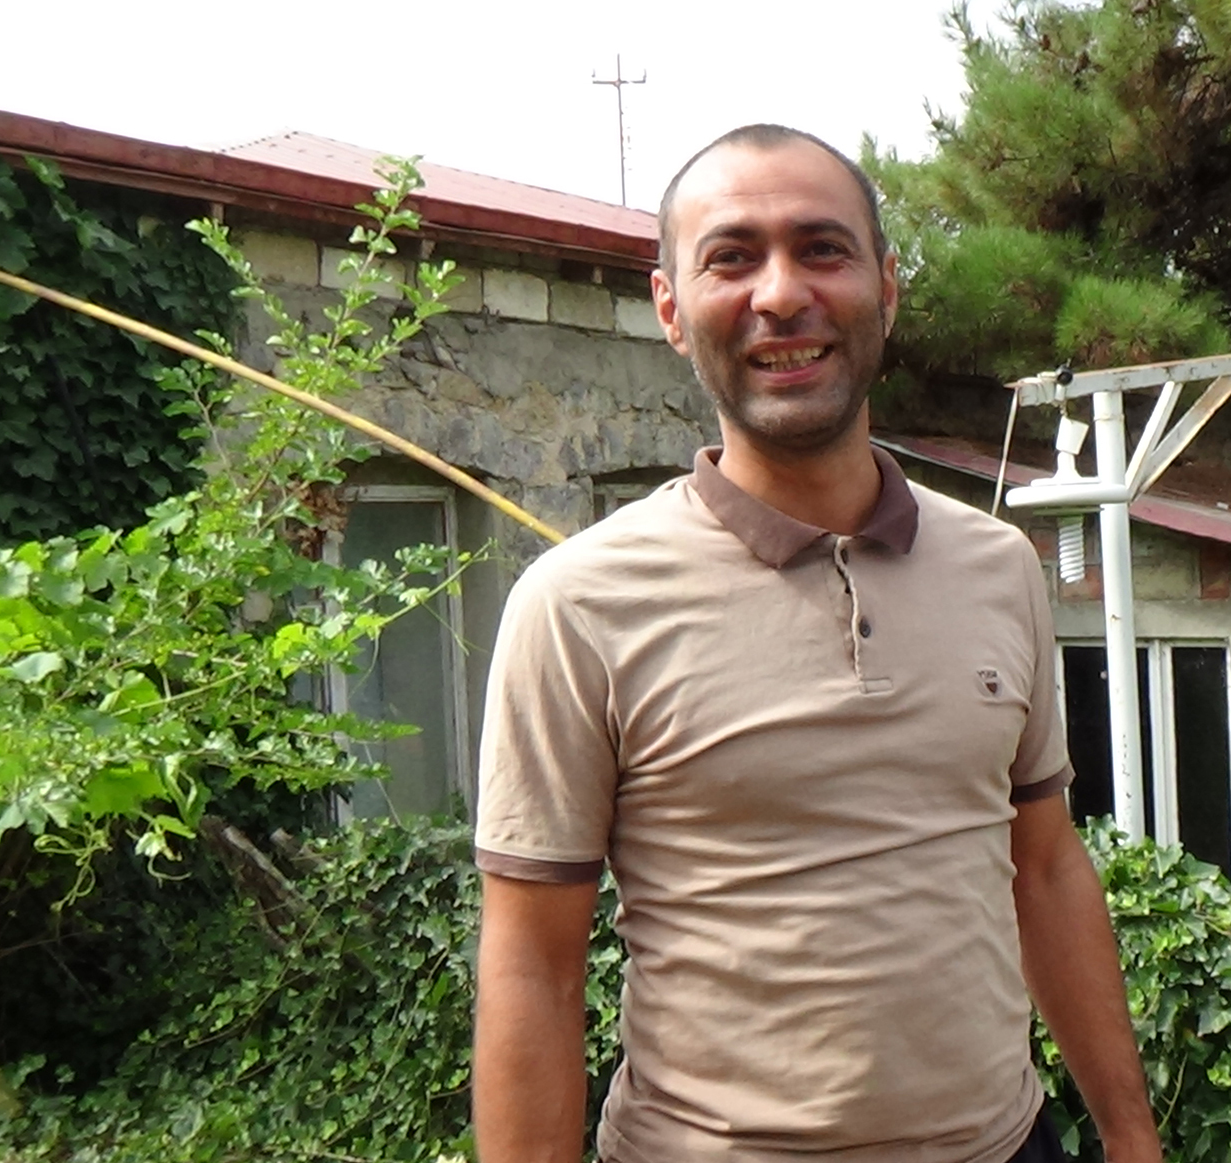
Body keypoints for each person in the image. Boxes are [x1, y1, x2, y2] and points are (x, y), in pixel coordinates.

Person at [470, 124, 1162, 1163]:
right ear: (670, 308)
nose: (782, 293)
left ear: (887, 285)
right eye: (731, 257)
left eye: (822, 249)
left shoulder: (999, 565)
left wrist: (1132, 1135)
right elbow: (532, 963)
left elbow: (1048, 867)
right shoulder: (578, 605)